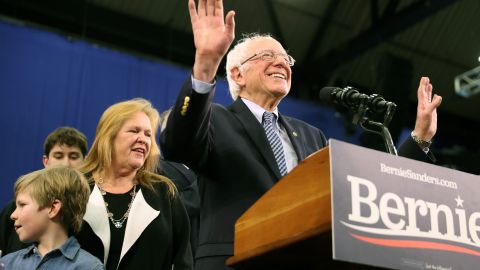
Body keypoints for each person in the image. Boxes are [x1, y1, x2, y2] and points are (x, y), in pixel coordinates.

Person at [160, 0, 443, 269]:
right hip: (237, 263)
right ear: (237, 75)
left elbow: (362, 195)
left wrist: (419, 139)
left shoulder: (311, 136)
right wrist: (206, 64)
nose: (282, 63)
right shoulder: (216, 120)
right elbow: (178, 144)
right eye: (267, 56)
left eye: (286, 58)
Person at [76, 98, 192, 270]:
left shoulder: (164, 192)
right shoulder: (75, 188)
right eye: (134, 131)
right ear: (109, 136)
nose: (143, 139)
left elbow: (184, 261)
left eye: (148, 134)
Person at [0, 126, 88, 255]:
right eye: (58, 156)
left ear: (85, 162)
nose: (66, 164)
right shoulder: (14, 209)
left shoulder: (91, 208)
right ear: (46, 161)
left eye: (73, 156)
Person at [2, 166, 104, 269]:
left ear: (53, 208)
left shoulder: (89, 267)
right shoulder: (7, 264)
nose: (12, 215)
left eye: (22, 205)